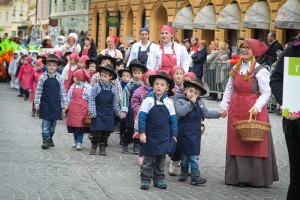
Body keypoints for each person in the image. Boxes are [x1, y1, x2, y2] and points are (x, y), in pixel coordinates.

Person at [219, 39, 279, 187]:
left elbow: (266, 93)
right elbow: (229, 89)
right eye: (242, 47)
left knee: (254, 143)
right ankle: (237, 177)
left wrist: (256, 107)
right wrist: (223, 105)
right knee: (236, 142)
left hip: (254, 110)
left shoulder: (260, 71)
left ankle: (256, 178)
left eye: (248, 48)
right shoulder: (236, 69)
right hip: (236, 109)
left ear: (254, 52)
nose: (244, 50)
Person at [175, 78, 221, 185]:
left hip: (195, 134)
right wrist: (191, 103)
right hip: (183, 132)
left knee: (193, 156)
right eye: (191, 91)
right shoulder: (180, 100)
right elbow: (181, 112)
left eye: (196, 93)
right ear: (186, 90)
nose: (193, 95)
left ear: (199, 94)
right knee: (184, 155)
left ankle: (195, 176)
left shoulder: (200, 102)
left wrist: (219, 113)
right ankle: (183, 173)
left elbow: (207, 114)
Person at [270, 37, 300, 200]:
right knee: (297, 179)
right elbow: (275, 79)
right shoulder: (293, 50)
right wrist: (286, 102)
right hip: (295, 123)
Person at [138, 72, 177, 190]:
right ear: (152, 86)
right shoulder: (148, 100)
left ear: (167, 88)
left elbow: (173, 120)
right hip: (149, 135)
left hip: (164, 136)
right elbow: (142, 117)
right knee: (148, 160)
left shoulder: (169, 102)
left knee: (161, 160)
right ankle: (145, 180)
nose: (159, 86)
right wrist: (142, 133)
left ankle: (159, 180)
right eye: (157, 84)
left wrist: (174, 135)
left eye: (162, 85)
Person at [34, 54, 68, 149]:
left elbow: (62, 91)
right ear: (46, 66)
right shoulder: (42, 77)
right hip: (45, 104)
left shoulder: (60, 78)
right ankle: (45, 139)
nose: (51, 67)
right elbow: (39, 91)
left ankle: (50, 137)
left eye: (54, 65)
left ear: (57, 66)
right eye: (49, 65)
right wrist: (37, 103)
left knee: (53, 125)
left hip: (56, 104)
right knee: (45, 123)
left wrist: (65, 103)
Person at [88, 64, 122, 155]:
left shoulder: (113, 89)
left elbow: (115, 103)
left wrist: (118, 112)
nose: (102, 78)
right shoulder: (96, 87)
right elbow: (91, 99)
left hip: (108, 113)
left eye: (105, 76)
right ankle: (94, 145)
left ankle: (102, 146)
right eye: (102, 75)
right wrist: (92, 111)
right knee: (97, 131)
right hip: (97, 112)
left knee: (106, 132)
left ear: (110, 77)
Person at [120, 59, 148, 154]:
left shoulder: (144, 86)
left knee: (139, 128)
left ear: (143, 74)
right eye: (135, 73)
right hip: (131, 110)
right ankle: (125, 143)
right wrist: (124, 110)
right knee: (129, 128)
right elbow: (125, 97)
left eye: (139, 73)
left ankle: (136, 145)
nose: (137, 75)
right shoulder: (129, 85)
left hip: (140, 110)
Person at [66, 69, 91, 150]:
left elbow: (90, 99)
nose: (73, 79)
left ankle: (79, 142)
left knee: (80, 127)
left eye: (75, 77)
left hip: (83, 110)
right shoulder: (73, 86)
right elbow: (69, 97)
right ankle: (75, 140)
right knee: (74, 126)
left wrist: (90, 110)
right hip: (73, 110)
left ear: (80, 78)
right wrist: (66, 105)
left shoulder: (87, 87)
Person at [117, 66, 132, 145]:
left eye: (127, 76)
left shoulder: (131, 85)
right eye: (123, 76)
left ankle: (129, 137)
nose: (125, 78)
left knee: (129, 123)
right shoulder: (119, 85)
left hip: (130, 105)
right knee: (122, 123)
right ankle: (122, 137)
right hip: (121, 105)